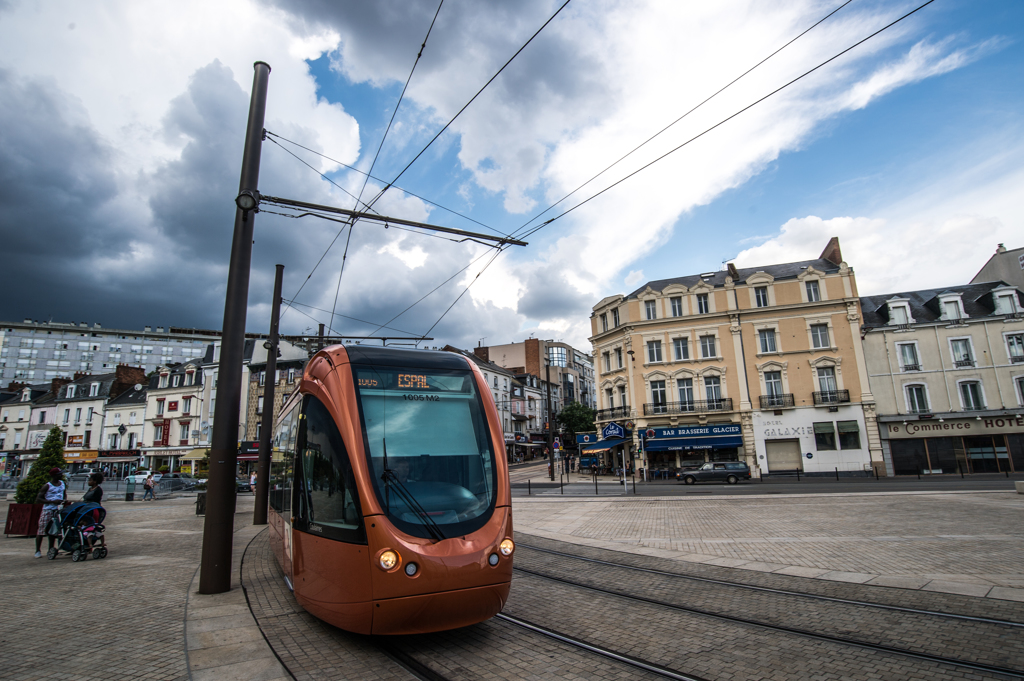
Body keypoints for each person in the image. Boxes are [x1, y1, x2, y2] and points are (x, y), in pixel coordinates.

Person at [34, 468, 67, 558]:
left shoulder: (62, 484)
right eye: (59, 474)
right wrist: (51, 502)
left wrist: (64, 501)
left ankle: (51, 549)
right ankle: (37, 550)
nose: (61, 475)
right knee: (42, 530)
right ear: (54, 475)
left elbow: (64, 494)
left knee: (54, 531)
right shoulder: (47, 486)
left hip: (58, 510)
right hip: (48, 510)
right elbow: (38, 499)